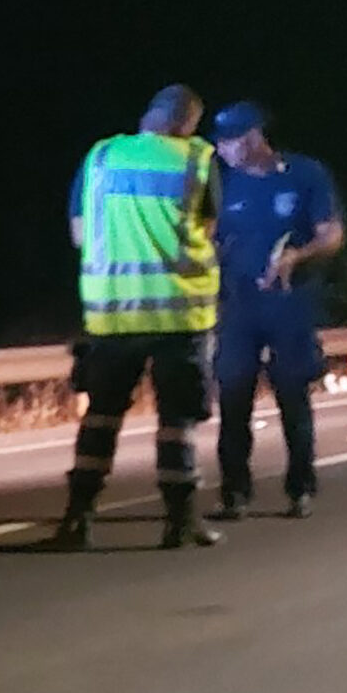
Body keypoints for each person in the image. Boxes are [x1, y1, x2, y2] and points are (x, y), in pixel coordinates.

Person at [50, 84, 223, 550]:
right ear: (187, 123)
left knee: (101, 417)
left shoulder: (102, 156)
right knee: (177, 421)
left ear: (149, 115)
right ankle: (180, 522)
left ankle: (77, 519)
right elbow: (207, 230)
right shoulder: (197, 160)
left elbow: (79, 233)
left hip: (113, 315)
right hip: (179, 315)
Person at [204, 101, 346, 520]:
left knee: (292, 395)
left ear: (253, 138)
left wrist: (298, 256)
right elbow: (207, 238)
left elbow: (332, 234)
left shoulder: (306, 174)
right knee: (233, 398)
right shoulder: (220, 184)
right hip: (237, 307)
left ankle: (300, 488)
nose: (222, 149)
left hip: (289, 304)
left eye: (229, 141)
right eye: (219, 143)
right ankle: (234, 493)